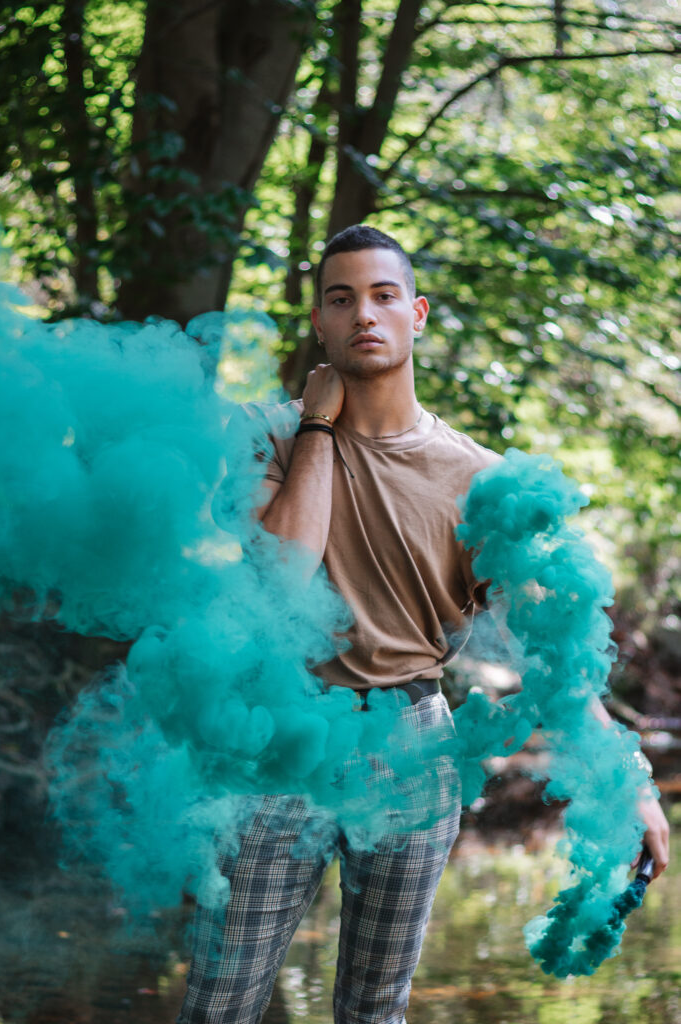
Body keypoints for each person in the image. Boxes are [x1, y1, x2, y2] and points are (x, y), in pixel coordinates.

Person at [177, 225, 669, 1024]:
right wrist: (316, 426)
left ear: (418, 313)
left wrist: (630, 786)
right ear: (319, 323)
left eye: (383, 295)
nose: (363, 314)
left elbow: (555, 657)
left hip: (410, 745)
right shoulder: (261, 434)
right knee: (218, 1004)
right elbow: (283, 576)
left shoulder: (478, 479)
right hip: (276, 738)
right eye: (341, 299)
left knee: (375, 1010)